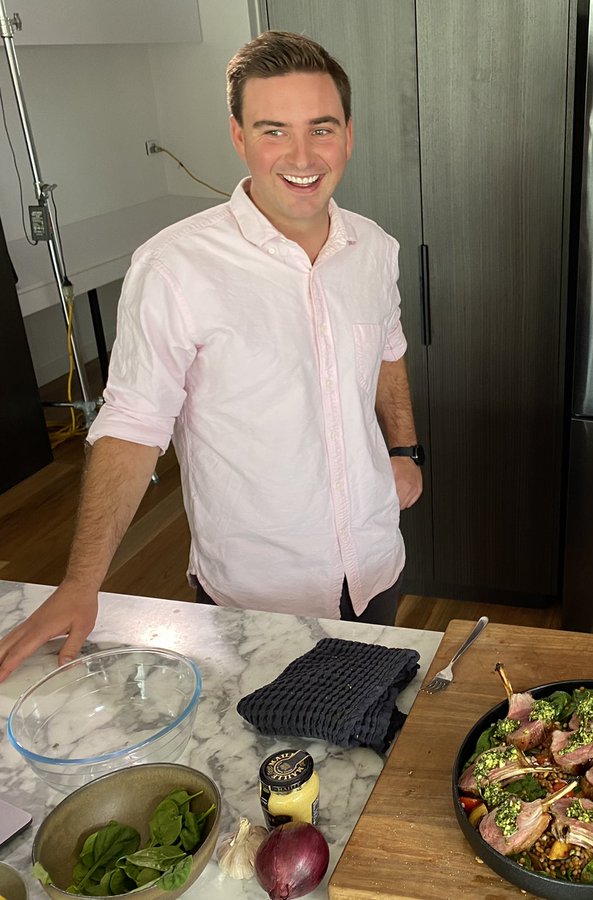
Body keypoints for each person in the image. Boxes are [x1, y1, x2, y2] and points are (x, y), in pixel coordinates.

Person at [0, 31, 423, 681]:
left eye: (321, 127)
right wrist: (82, 582)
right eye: (273, 130)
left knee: (370, 741)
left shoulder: (374, 248)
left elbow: (388, 349)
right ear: (239, 137)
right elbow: (132, 426)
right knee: (268, 767)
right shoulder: (175, 267)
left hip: (373, 562)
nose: (302, 155)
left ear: (349, 133)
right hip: (257, 595)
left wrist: (404, 451)